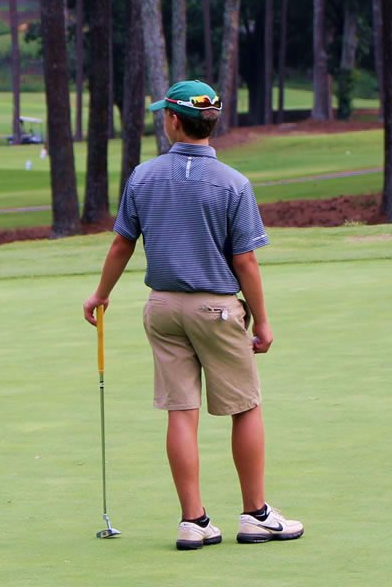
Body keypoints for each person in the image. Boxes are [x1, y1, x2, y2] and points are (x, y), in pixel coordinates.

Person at [81, 80, 305, 550]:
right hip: (217, 309)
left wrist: (101, 294)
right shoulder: (234, 183)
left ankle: (194, 521)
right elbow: (244, 260)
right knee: (244, 407)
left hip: (161, 307)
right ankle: (255, 515)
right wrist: (262, 321)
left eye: (165, 113)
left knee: (181, 412)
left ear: (175, 121)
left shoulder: (142, 176)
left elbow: (123, 242)